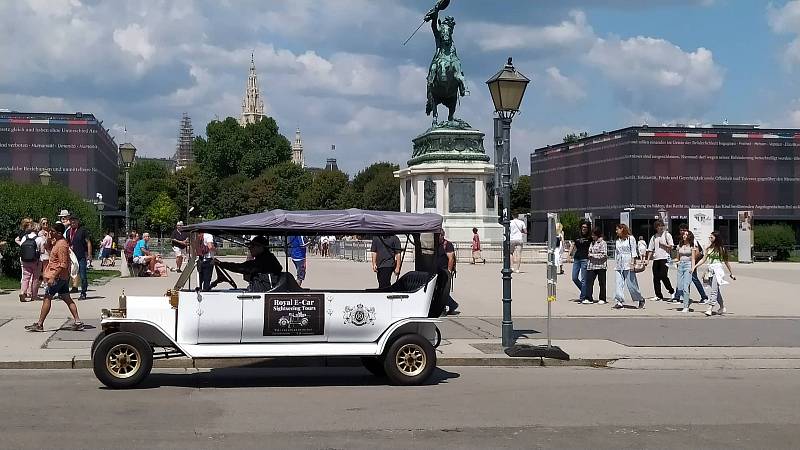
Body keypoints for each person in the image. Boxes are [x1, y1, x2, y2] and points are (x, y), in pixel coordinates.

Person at [25, 222, 84, 332]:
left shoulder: (62, 245)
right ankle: (78, 321)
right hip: (61, 277)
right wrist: (48, 238)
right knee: (67, 297)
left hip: (57, 277)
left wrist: (53, 277)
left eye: (52, 231)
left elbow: (63, 264)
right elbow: (47, 248)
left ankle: (40, 324)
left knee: (47, 297)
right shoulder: (57, 242)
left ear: (59, 233)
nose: (50, 232)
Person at [693, 231, 736, 317]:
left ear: (716, 238)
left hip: (718, 271)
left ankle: (710, 308)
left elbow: (726, 262)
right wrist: (694, 266)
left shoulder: (721, 249)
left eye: (711, 237)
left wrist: (731, 273)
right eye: (709, 237)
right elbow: (704, 259)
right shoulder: (708, 248)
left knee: (714, 290)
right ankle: (722, 307)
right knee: (716, 290)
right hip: (710, 270)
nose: (710, 238)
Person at [215, 235, 282, 287]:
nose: (249, 248)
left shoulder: (265, 260)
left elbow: (241, 268)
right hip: (262, 289)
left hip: (263, 292)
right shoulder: (266, 258)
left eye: (252, 246)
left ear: (261, 247)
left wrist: (221, 264)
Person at [613, 223, 646, 309]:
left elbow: (633, 252)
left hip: (628, 263)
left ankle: (640, 298)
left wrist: (632, 263)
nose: (616, 231)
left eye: (617, 229)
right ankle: (619, 301)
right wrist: (616, 263)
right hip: (619, 264)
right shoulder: (617, 240)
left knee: (631, 284)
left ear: (622, 229)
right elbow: (616, 252)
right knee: (618, 283)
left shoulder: (630, 239)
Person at [674, 223, 708, 304]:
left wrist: (691, 263)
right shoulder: (681, 241)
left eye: (684, 230)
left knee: (693, 279)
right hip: (684, 263)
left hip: (691, 263)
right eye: (681, 230)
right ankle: (678, 296)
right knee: (682, 279)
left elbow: (697, 252)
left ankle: (704, 297)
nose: (682, 232)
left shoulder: (693, 240)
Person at [645, 220, 674, 301]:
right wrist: (647, 259)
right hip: (656, 258)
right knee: (656, 278)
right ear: (656, 228)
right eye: (658, 226)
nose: (660, 228)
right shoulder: (654, 237)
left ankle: (671, 291)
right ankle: (658, 295)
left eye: (662, 226)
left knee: (663, 275)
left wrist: (664, 245)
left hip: (665, 258)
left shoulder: (667, 235)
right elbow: (650, 249)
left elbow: (671, 247)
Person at [17, 221, 44, 302]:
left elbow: (21, 246)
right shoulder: (39, 239)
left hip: (25, 260)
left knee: (25, 278)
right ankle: (34, 295)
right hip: (36, 261)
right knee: (35, 278)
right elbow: (42, 251)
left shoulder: (25, 237)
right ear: (37, 229)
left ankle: (23, 292)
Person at [66, 216, 92, 300]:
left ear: (78, 221)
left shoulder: (82, 230)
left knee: (83, 275)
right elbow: (67, 243)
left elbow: (88, 242)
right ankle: (64, 292)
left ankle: (83, 292)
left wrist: (89, 254)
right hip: (71, 256)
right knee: (67, 275)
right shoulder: (68, 231)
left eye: (74, 221)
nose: (73, 222)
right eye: (71, 221)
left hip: (81, 256)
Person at [674, 230, 696, 313]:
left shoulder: (692, 246)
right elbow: (677, 258)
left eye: (686, 235)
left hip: (688, 266)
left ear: (689, 236)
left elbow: (693, 258)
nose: (684, 236)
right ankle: (688, 299)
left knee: (686, 286)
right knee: (679, 287)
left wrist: (692, 268)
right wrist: (671, 262)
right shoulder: (679, 245)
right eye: (683, 234)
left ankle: (685, 306)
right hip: (680, 266)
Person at [437, 231, 459, 315]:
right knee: (438, 291)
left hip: (444, 271)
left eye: (438, 235)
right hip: (436, 271)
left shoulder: (447, 245)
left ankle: (444, 309)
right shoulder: (436, 244)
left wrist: (449, 271)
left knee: (443, 291)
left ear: (442, 236)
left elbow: (451, 259)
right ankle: (452, 305)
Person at [569, 220, 591, 302]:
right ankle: (585, 292)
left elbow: (594, 244)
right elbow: (573, 245)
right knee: (574, 277)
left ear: (588, 228)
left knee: (583, 279)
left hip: (585, 258)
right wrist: (569, 254)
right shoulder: (577, 235)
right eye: (582, 227)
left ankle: (583, 297)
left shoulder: (590, 237)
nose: (584, 228)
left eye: (585, 227)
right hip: (577, 258)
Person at [584, 227, 608, 304]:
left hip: (601, 266)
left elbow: (604, 254)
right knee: (589, 282)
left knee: (602, 283)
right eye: (592, 235)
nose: (592, 236)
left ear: (598, 235)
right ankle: (589, 298)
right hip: (591, 265)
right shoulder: (592, 243)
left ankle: (602, 298)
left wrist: (593, 255)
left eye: (594, 235)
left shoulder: (603, 243)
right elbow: (590, 251)